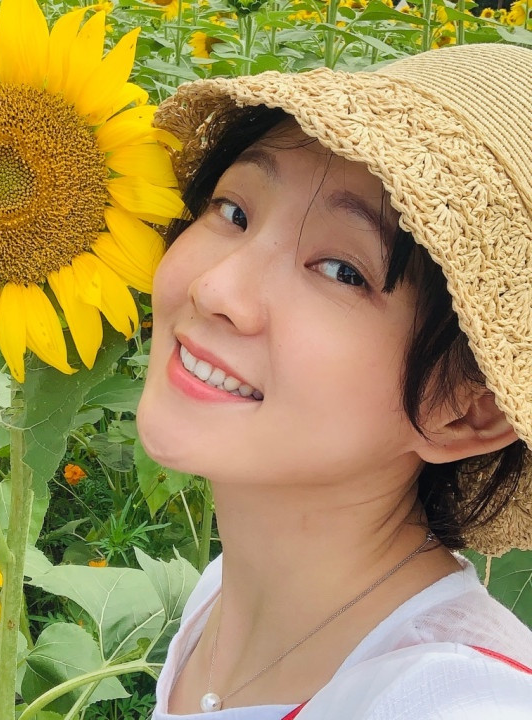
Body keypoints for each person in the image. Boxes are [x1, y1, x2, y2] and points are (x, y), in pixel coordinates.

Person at [135, 42, 532, 719]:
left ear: (468, 411)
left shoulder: (455, 703)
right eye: (233, 211)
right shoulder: (225, 598)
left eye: (342, 271)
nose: (215, 288)